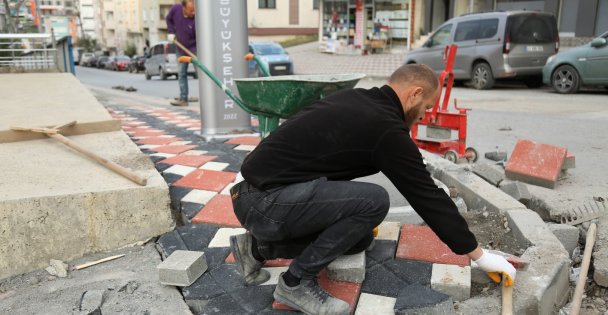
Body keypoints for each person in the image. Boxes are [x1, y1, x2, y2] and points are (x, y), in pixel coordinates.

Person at [229, 64, 516, 315]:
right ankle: (295, 284)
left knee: (358, 237)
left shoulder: (361, 100)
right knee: (374, 201)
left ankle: (256, 248)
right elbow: (427, 196)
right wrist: (480, 256)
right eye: (426, 107)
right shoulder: (386, 128)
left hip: (255, 193)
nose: (423, 116)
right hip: (264, 203)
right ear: (414, 94)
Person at [166, 0, 197, 107]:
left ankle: (208, 98)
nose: (193, 13)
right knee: (182, 74)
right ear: (183, 7)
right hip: (180, 48)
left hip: (195, 49)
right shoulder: (176, 9)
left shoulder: (197, 19)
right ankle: (184, 99)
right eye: (191, 11)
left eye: (194, 10)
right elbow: (168, 19)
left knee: (202, 74)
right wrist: (171, 32)